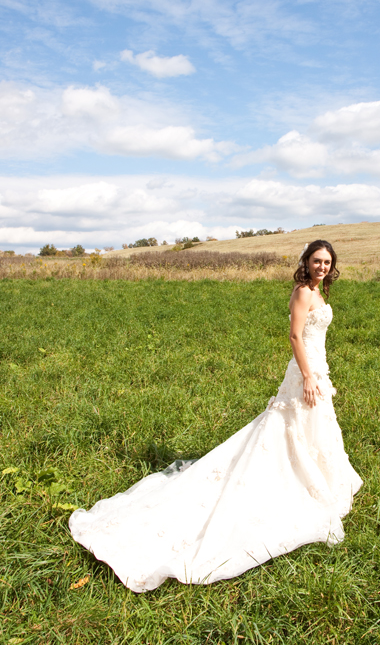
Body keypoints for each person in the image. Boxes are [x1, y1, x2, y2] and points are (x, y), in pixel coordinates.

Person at [69, 240, 363, 591]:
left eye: (327, 262)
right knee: (292, 427)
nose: (322, 267)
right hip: (306, 372)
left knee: (309, 428)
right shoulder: (302, 292)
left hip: (317, 367)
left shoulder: (318, 290)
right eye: (317, 261)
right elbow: (295, 336)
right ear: (306, 261)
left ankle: (316, 478)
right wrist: (310, 377)